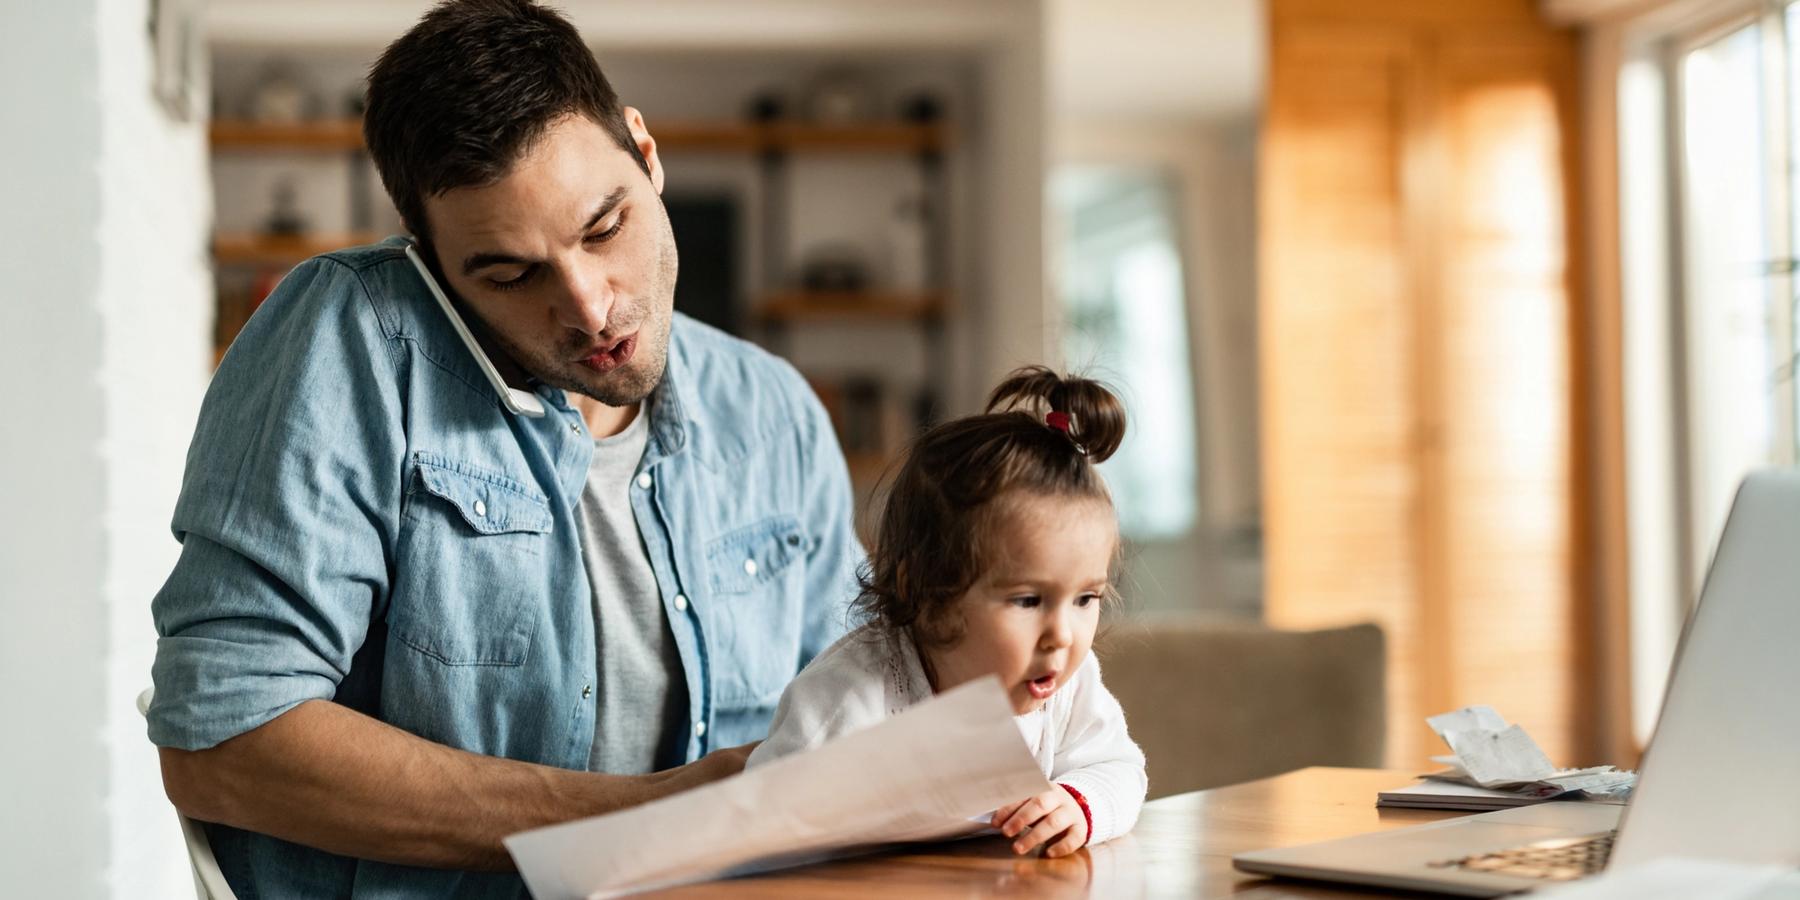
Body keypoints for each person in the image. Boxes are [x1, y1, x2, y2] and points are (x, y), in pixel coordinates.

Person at [145, 1, 861, 896]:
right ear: (432, 265)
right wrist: (651, 814)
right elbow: (223, 743)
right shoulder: (354, 342)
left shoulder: (773, 413)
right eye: (510, 274)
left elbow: (866, 707)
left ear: (645, 151)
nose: (592, 307)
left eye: (605, 229)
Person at [746, 366, 1147, 857]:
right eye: (1028, 600)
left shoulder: (1070, 686)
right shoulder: (848, 699)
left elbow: (1120, 769)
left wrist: (1078, 804)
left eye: (1086, 599)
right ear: (926, 591)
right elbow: (758, 829)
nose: (1062, 636)